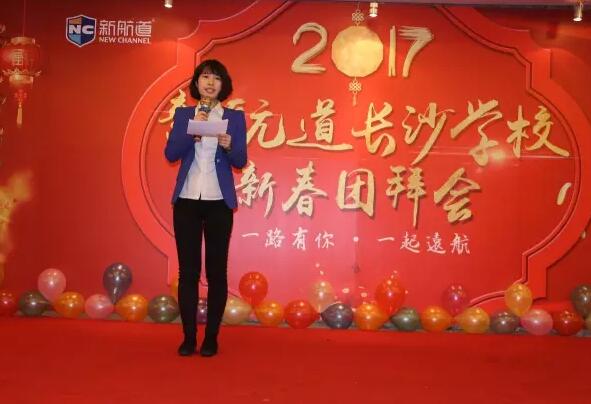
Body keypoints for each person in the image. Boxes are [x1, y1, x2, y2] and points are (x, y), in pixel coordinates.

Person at [164, 59, 247, 357]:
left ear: (224, 85)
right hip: (187, 200)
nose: (210, 83)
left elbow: (240, 160)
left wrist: (229, 145)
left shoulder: (234, 118)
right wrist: (192, 134)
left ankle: (211, 337)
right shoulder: (184, 114)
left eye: (216, 78)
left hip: (218, 203)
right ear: (197, 83)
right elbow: (171, 154)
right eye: (205, 77)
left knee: (216, 272)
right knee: (188, 272)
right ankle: (188, 337)